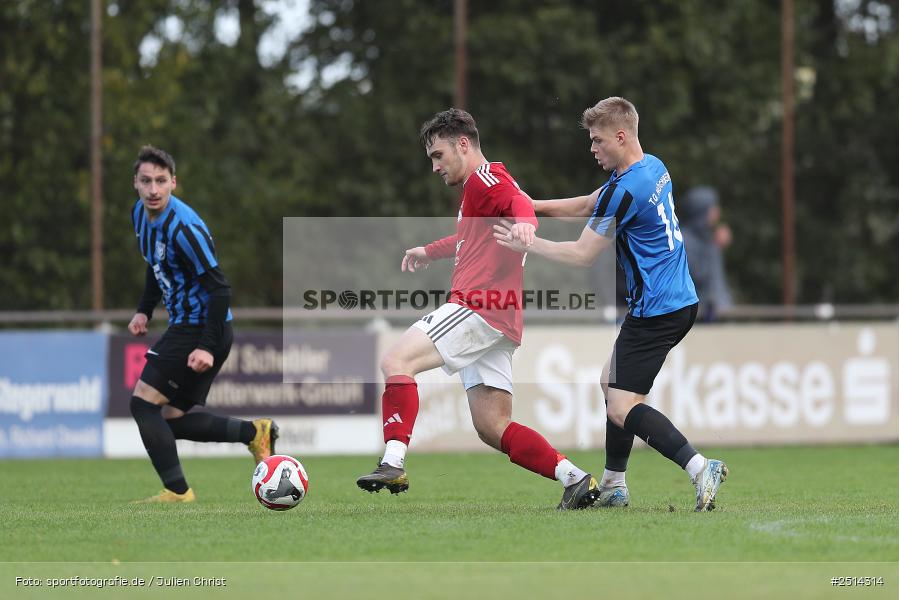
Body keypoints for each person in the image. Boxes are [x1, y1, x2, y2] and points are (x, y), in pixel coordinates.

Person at [356, 109, 600, 510]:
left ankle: (392, 461)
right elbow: (467, 236)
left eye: (438, 155)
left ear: (463, 145)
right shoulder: (476, 191)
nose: (435, 166)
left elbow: (519, 202)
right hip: (500, 318)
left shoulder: (488, 179)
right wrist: (428, 251)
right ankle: (573, 478)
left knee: (397, 360)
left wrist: (526, 226)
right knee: (492, 426)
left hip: (478, 306)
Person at [495, 97, 728, 511]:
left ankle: (698, 466)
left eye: (598, 140)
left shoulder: (625, 191)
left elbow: (583, 254)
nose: (592, 148)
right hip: (674, 300)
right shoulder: (651, 167)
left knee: (621, 406)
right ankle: (614, 484)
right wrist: (529, 206)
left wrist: (527, 241)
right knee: (610, 384)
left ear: (621, 137)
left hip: (657, 309)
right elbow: (589, 203)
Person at [128, 145, 278, 503]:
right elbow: (156, 265)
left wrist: (206, 345)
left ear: (173, 183)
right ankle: (254, 432)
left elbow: (220, 288)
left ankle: (177, 492)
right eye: (146, 181)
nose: (153, 190)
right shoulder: (140, 214)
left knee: (143, 404)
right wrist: (145, 310)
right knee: (170, 419)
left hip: (201, 328)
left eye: (161, 181)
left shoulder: (185, 229)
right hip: (188, 328)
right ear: (136, 183)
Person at [680, 186, 733, 321]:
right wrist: (714, 246)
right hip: (697, 316)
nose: (717, 211)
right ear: (701, 210)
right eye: (712, 207)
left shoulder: (706, 237)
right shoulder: (683, 240)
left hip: (716, 313)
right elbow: (698, 275)